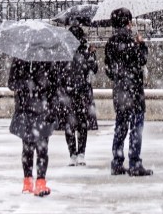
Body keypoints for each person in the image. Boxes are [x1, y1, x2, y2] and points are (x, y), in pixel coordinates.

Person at [104, 7, 153, 176]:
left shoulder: (110, 43)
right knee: (136, 127)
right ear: (128, 23)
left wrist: (119, 77)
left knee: (120, 127)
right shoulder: (132, 42)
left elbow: (109, 71)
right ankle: (134, 163)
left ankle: (117, 162)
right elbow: (142, 60)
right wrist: (142, 45)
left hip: (120, 91)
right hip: (135, 90)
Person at [8, 58, 60, 197]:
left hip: (43, 108)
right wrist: (26, 84)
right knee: (28, 147)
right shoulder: (20, 60)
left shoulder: (48, 60)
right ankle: (28, 181)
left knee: (42, 148)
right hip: (26, 108)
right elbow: (11, 83)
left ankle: (40, 181)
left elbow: (55, 84)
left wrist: (42, 87)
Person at [57, 20, 99, 165]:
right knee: (82, 124)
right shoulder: (84, 52)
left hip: (69, 92)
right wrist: (92, 55)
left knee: (70, 124)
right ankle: (80, 153)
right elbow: (93, 69)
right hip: (82, 92)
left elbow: (58, 73)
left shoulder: (64, 52)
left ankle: (73, 154)